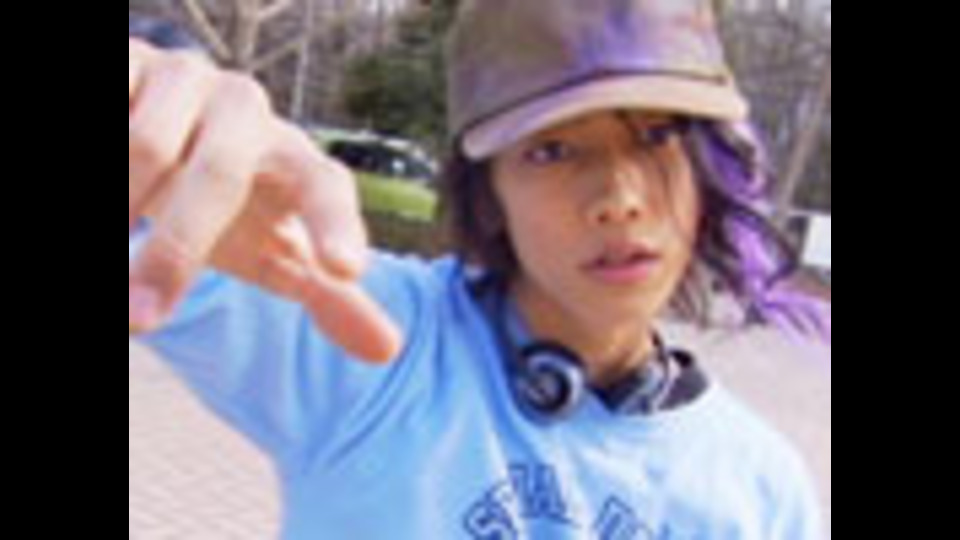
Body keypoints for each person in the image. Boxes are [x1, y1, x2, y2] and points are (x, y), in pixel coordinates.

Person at [129, 1, 824, 538]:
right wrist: (155, 104)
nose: (619, 198)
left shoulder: (759, 492)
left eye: (657, 136)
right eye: (553, 151)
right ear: (489, 194)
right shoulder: (372, 341)